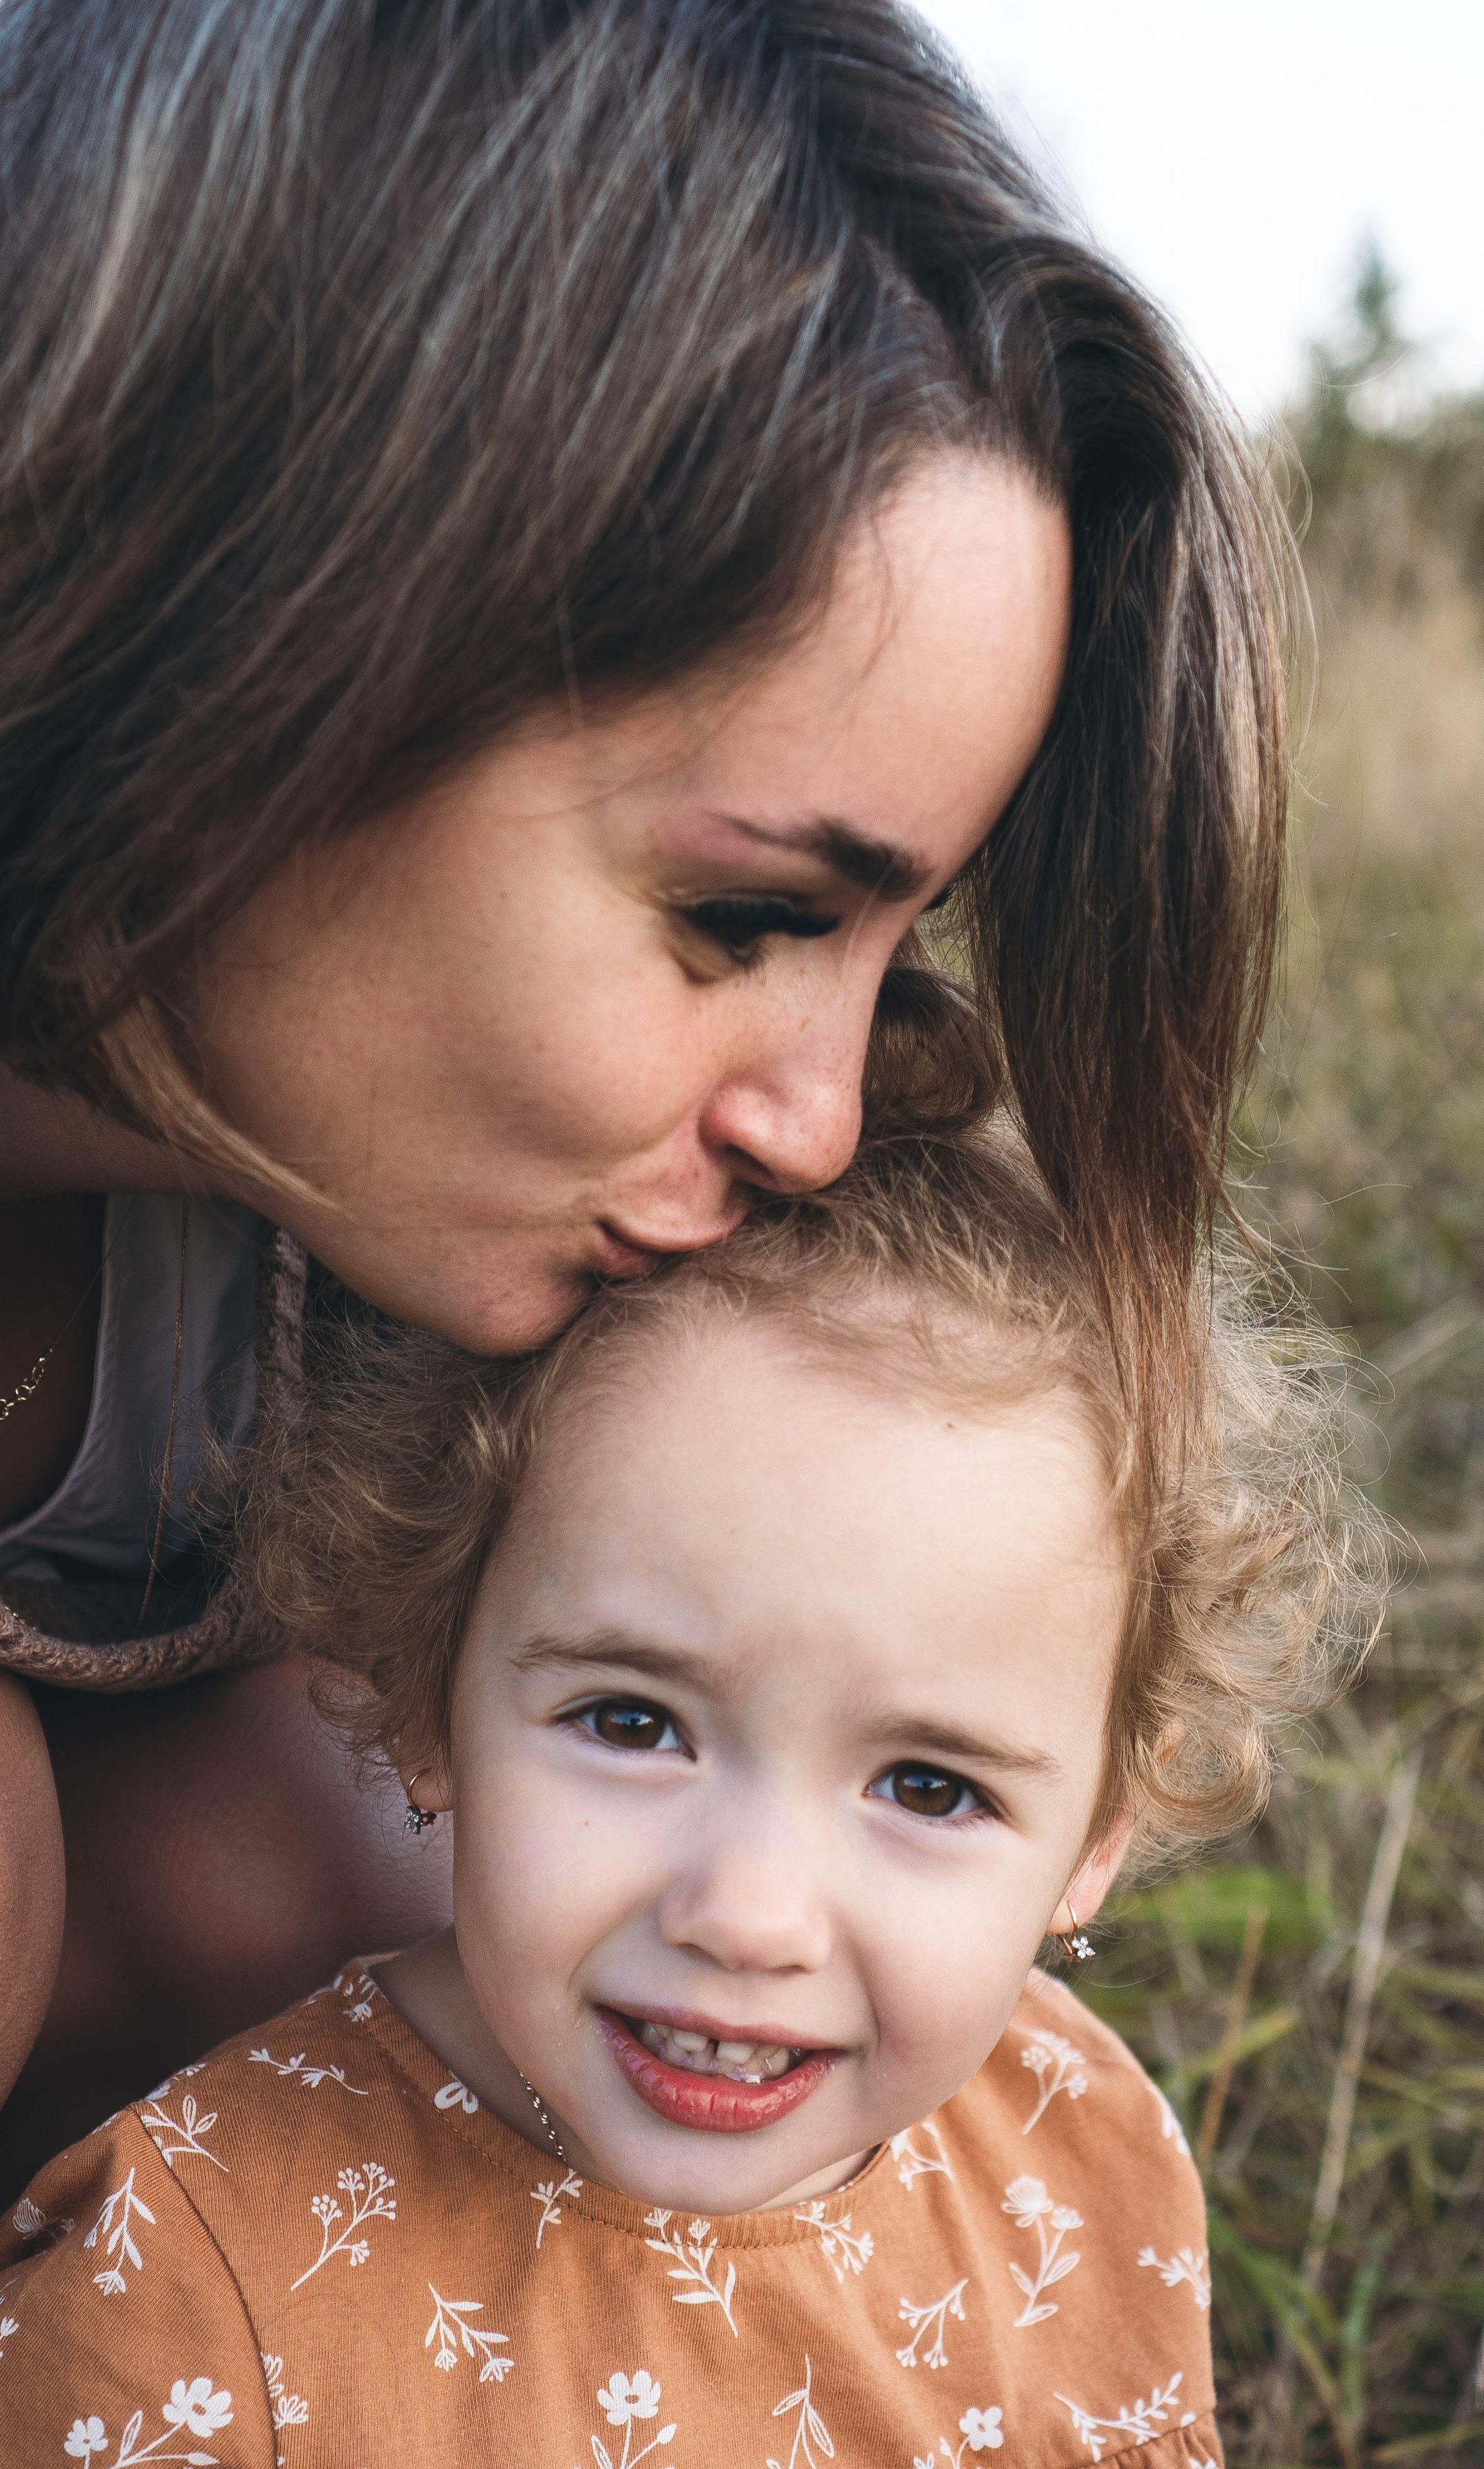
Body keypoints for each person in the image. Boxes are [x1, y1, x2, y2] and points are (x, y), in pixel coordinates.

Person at [0, 0, 1292, 2184]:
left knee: (453, 1857)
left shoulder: (420, 1247)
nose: (822, 1121)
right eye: (744, 916)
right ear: (276, 632)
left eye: (898, 947)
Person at [0, 1028, 1377, 2468]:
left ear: (1095, 1840)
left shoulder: (1082, 2162)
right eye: (632, 1721)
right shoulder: (182, 2317)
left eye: (927, 1787)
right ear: (424, 1702)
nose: (747, 1916)